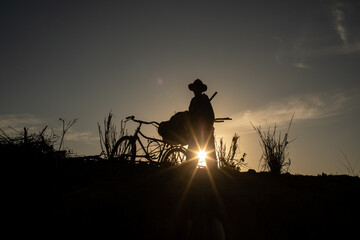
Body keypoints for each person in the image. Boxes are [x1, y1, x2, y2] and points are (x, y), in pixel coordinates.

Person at [187, 79, 217, 169]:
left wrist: (208, 127)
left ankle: (214, 173)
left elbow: (211, 116)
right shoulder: (193, 101)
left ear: (200, 89)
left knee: (210, 153)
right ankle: (189, 171)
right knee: (192, 153)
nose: (196, 91)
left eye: (198, 89)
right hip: (195, 131)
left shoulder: (205, 99)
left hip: (206, 131)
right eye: (195, 89)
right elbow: (190, 115)